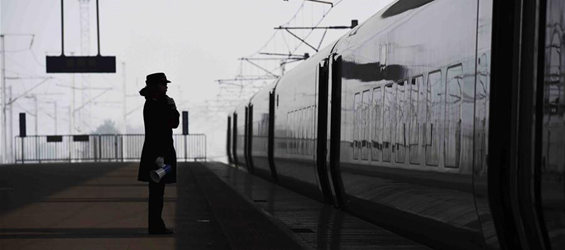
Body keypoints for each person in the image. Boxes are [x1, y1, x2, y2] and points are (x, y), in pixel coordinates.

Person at [138, 72, 179, 234]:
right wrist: (172, 108)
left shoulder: (151, 102)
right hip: (159, 155)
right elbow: (172, 123)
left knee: (156, 192)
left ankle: (156, 224)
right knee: (157, 192)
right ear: (156, 86)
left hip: (156, 153)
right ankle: (156, 226)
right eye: (163, 83)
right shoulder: (158, 103)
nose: (166, 86)